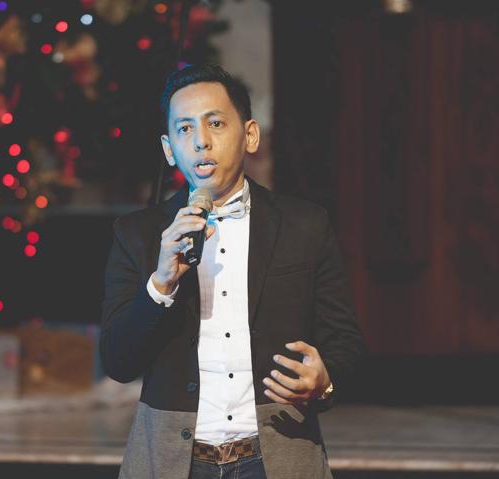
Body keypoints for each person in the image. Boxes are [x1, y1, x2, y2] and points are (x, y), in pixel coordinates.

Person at [100, 64, 366, 479]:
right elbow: (118, 362)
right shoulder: (138, 234)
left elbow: (345, 342)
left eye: (216, 123)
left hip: (279, 455)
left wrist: (324, 380)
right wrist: (161, 284)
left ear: (250, 135)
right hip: (169, 461)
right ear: (169, 149)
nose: (201, 141)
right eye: (185, 129)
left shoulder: (304, 225)